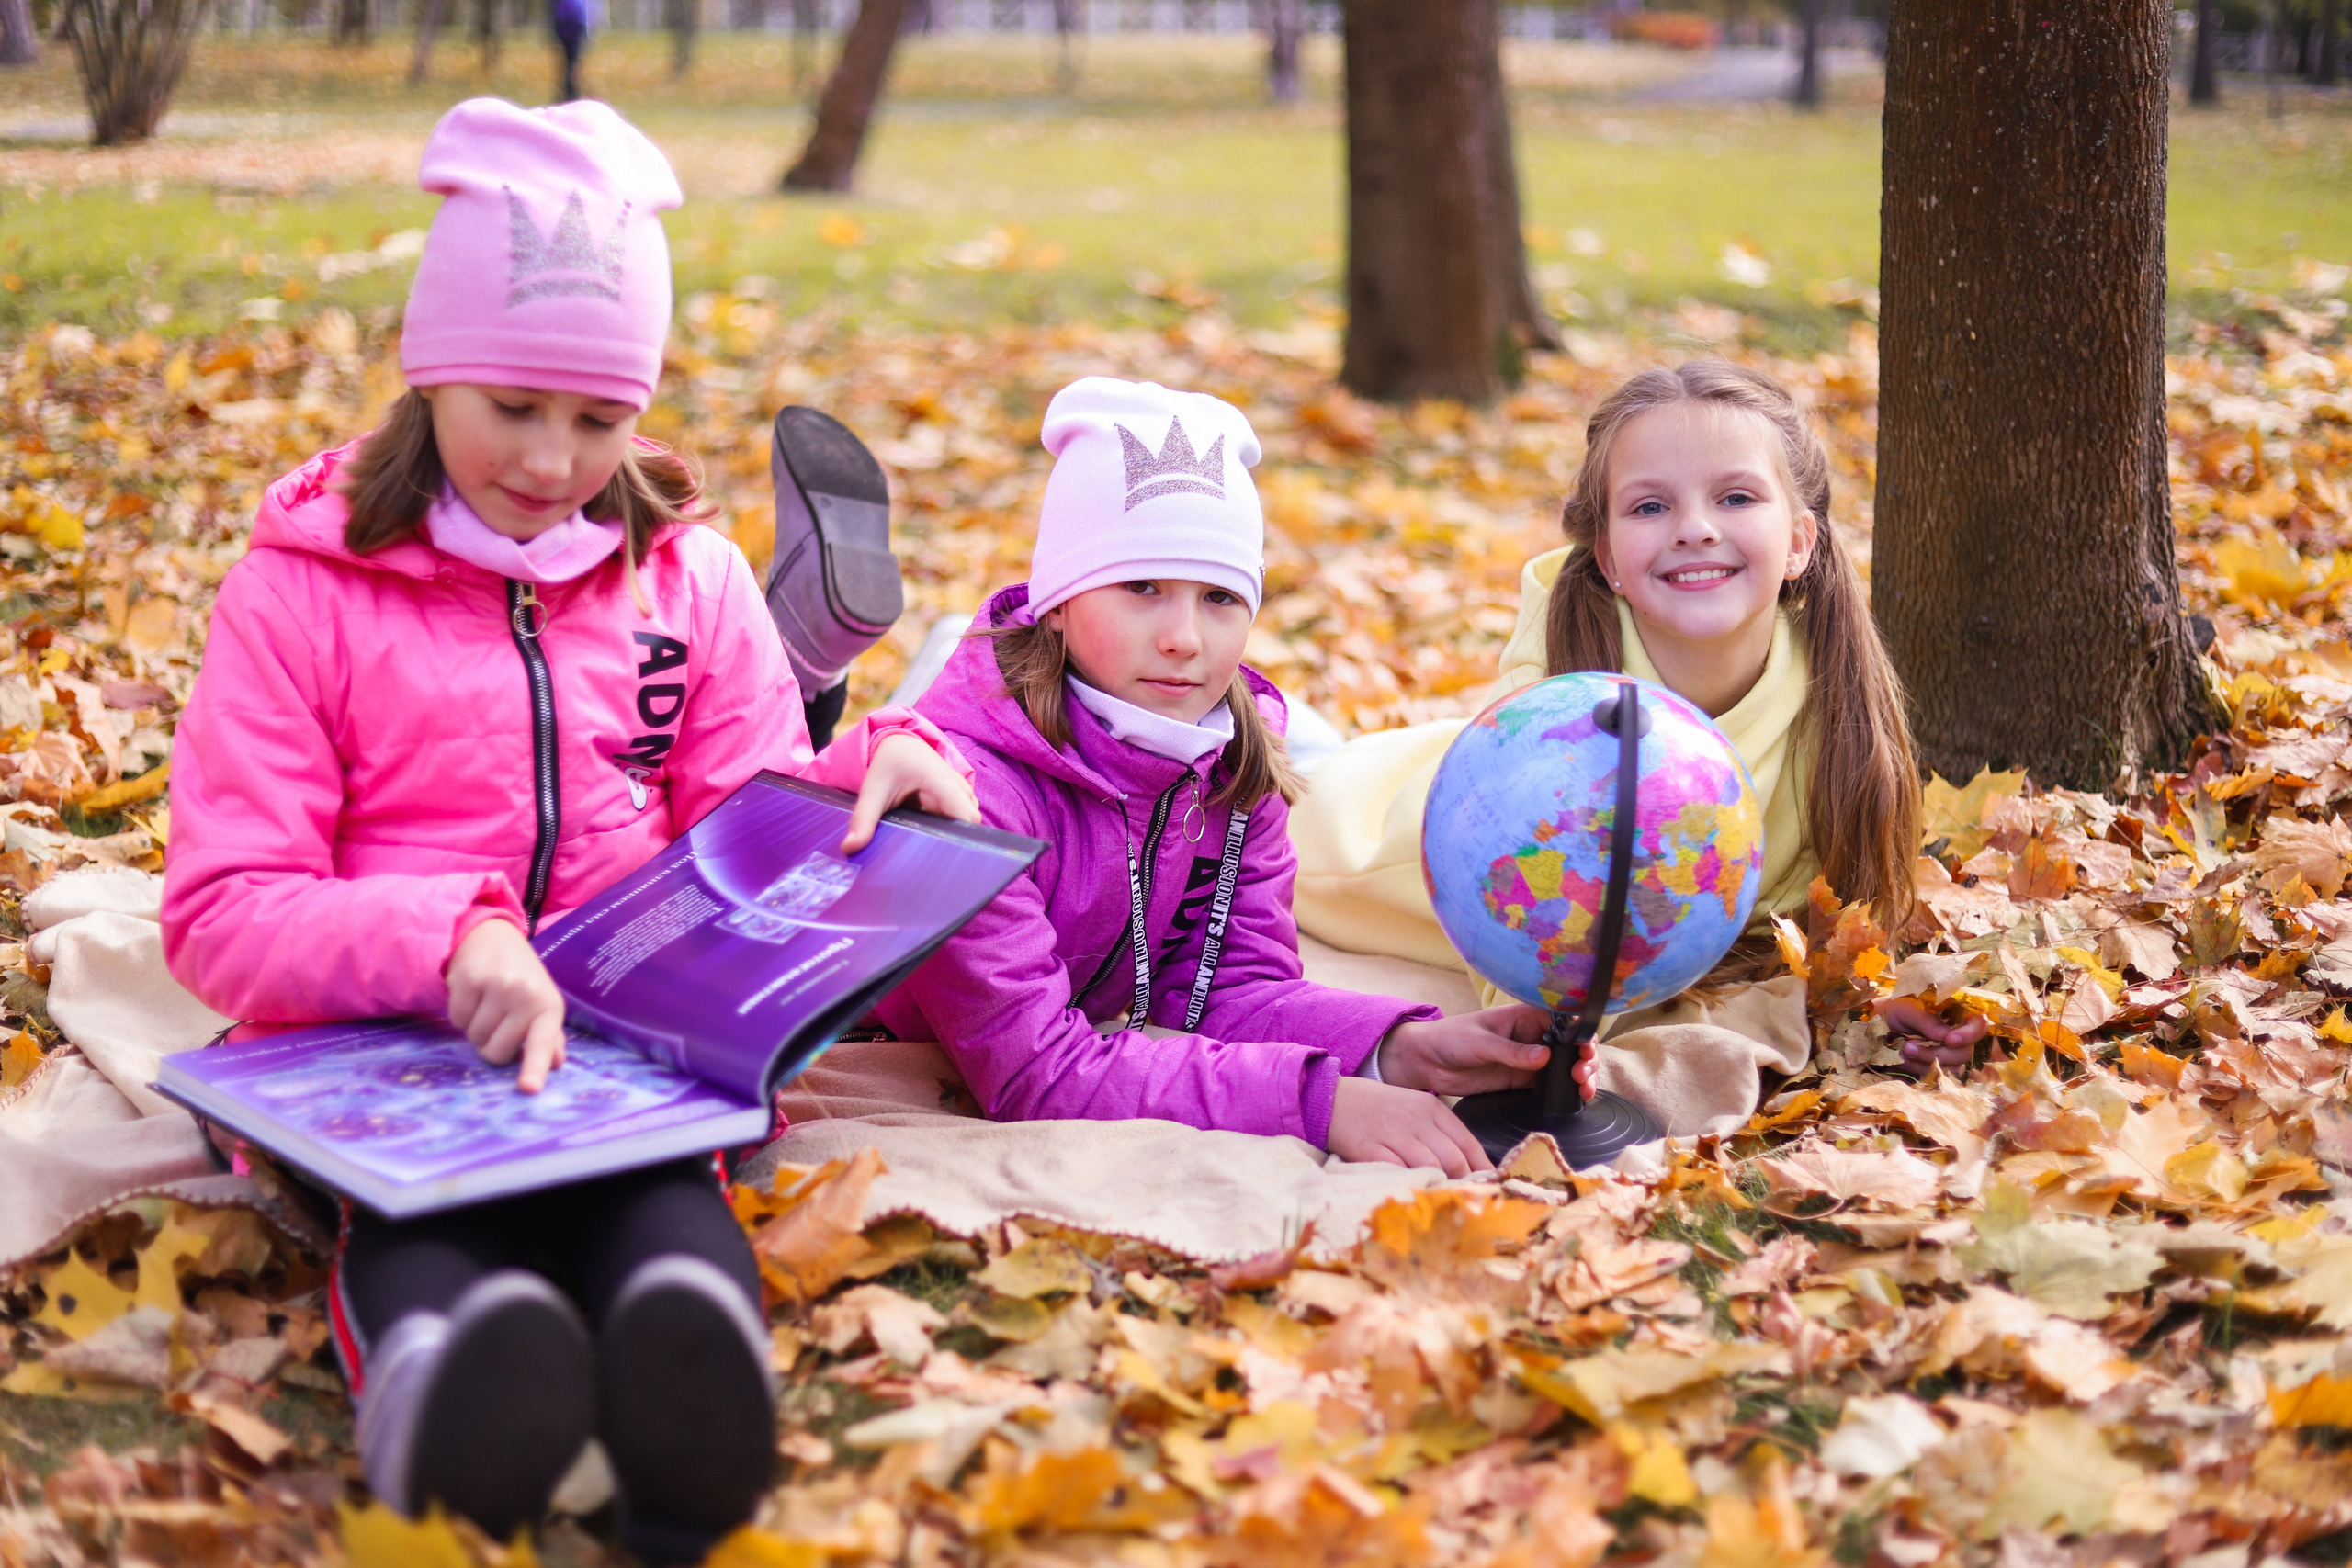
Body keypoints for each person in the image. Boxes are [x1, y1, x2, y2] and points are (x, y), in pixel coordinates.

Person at [159, 99, 978, 1562]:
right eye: (511, 410)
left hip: (625, 1050)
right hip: (378, 1040)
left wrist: (878, 760)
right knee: (424, 1223)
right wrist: (446, 937)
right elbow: (223, 908)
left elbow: (740, 827)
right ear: (431, 377)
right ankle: (464, 1384)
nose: (551, 460)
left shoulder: (696, 581)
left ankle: (692, 1385)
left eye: (599, 420)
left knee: (662, 1197)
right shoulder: (298, 592)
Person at [873, 377, 1577, 1179]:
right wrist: (1318, 1101)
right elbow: (1038, 1073)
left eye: (1218, 597)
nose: (1182, 637)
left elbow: (1226, 989)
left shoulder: (1234, 763)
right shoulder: (968, 799)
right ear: (1058, 601)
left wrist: (1400, 1048)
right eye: (1142, 587)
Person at [1289, 359, 1983, 1075]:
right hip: (1355, 838)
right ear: (1609, 558)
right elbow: (1532, 936)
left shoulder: (1834, 705)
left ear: (1801, 542)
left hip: (1408, 768)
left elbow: (1824, 924)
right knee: (1275, 767)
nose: (1695, 529)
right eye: (1650, 507)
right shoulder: (1564, 674)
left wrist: (1861, 1002)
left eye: (1737, 496)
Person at [550, 0, 587, 103]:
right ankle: (570, 91)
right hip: (573, 27)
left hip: (567, 27)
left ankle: (570, 91)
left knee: (570, 62)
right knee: (571, 62)